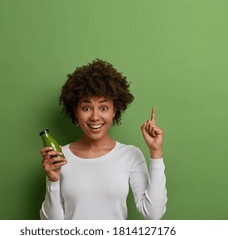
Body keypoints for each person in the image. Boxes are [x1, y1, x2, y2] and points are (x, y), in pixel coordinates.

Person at [39, 59, 167, 220]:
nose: (95, 116)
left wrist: (156, 153)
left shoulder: (130, 154)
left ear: (115, 111)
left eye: (104, 108)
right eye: (86, 108)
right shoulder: (59, 156)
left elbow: (153, 214)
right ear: (76, 112)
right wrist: (53, 181)